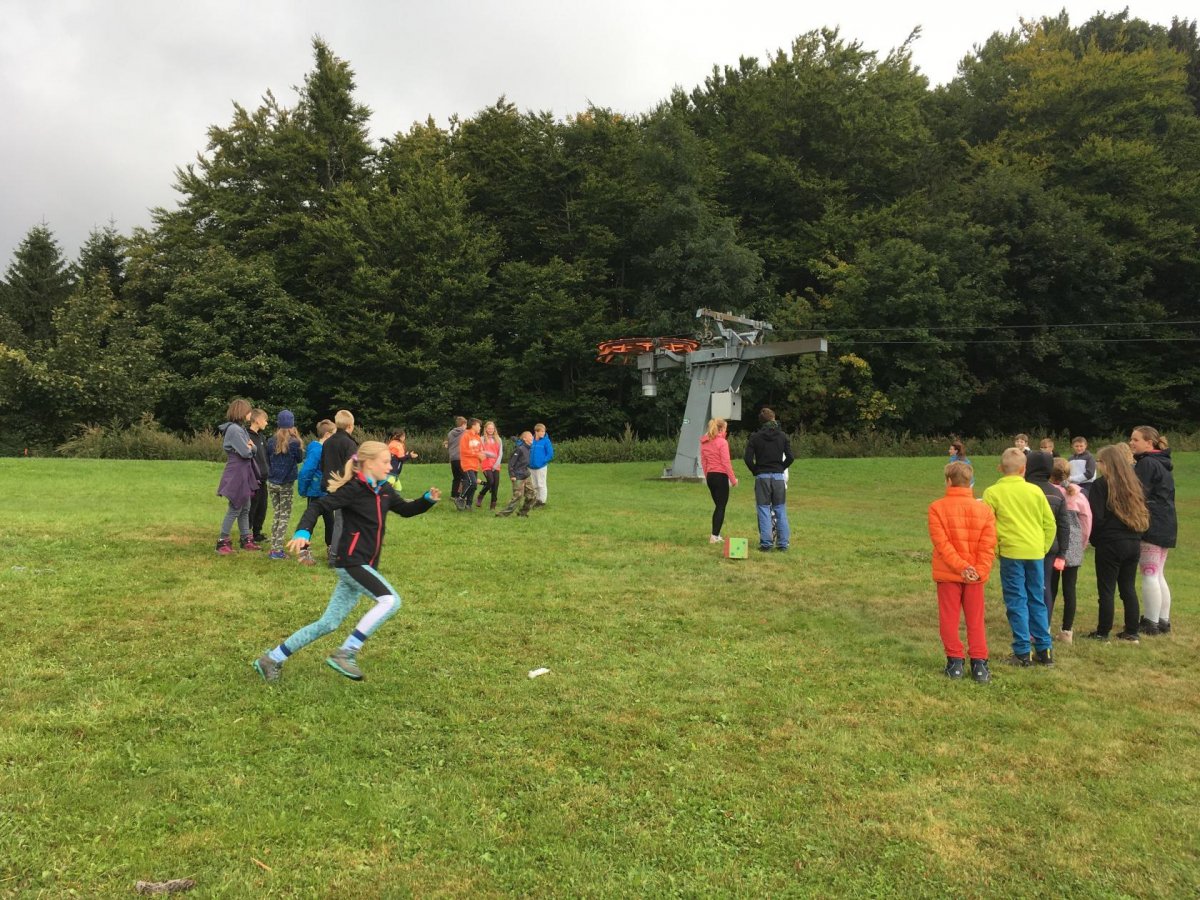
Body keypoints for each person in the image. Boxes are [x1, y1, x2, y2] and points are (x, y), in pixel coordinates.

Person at [253, 441, 440, 683]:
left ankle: (271, 658)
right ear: (368, 463)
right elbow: (319, 506)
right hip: (351, 562)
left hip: (363, 565)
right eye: (385, 462)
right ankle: (347, 652)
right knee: (390, 601)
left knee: (328, 623)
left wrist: (427, 500)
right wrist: (303, 531)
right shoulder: (353, 490)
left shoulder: (384, 490)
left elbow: (405, 509)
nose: (390, 466)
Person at [982, 448, 1057, 667]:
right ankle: (1044, 650)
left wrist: (996, 549)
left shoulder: (992, 493)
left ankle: (1023, 651)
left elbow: (988, 526)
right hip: (1035, 552)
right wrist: (1042, 547)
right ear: (1024, 469)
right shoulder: (1035, 491)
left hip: (1011, 552)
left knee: (1016, 600)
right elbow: (1049, 523)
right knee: (1037, 598)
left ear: (1000, 468)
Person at [928, 461, 996, 683]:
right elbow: (988, 545)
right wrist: (978, 570)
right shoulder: (985, 510)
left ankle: (955, 662)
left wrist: (961, 567)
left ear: (948, 481)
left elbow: (942, 544)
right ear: (970, 482)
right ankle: (979, 664)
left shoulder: (937, 508)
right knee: (975, 619)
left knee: (949, 618)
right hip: (975, 575)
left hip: (949, 572)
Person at [1086, 445, 1151, 642]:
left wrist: (1096, 539)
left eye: (1099, 461)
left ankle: (1103, 631)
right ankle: (1132, 630)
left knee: (1106, 589)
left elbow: (1097, 517)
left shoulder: (1100, 485)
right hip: (1132, 540)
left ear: (1107, 464)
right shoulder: (1133, 484)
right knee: (1128, 588)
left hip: (1110, 542)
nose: (1098, 465)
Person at [1131, 426, 1177, 635]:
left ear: (1149, 443)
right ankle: (1162, 619)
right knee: (1157, 573)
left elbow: (1138, 492)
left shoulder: (1147, 463)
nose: (1131, 443)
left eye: (1135, 440)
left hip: (1153, 524)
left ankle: (1150, 621)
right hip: (1166, 522)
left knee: (1149, 573)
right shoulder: (1161, 462)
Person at [1049, 457, 1092, 644]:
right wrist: (1083, 543)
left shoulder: (1049, 494)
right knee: (1070, 589)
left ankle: (1044, 626)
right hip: (1073, 545)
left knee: (1049, 588)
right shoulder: (1079, 495)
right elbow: (1087, 522)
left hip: (1053, 544)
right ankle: (1067, 631)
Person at [1024, 451, 1069, 625]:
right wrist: (1062, 552)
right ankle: (1044, 625)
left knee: (1023, 586)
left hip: (1023, 545)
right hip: (1049, 547)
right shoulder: (1056, 493)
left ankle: (1025, 624)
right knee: (1044, 586)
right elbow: (1063, 525)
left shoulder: (1023, 490)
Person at [743, 407, 794, 552]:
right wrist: (781, 468)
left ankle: (766, 543)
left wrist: (755, 470)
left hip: (762, 477)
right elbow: (790, 457)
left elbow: (747, 459)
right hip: (778, 478)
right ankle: (783, 543)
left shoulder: (755, 437)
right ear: (774, 418)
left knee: (764, 509)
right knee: (780, 509)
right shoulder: (783, 436)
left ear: (761, 421)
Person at [215, 398, 261, 554]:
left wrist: (251, 448)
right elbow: (246, 452)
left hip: (244, 472)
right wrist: (250, 448)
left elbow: (253, 448)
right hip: (237, 473)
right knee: (235, 507)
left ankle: (246, 539)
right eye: (248, 411)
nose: (250, 414)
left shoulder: (241, 429)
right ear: (242, 412)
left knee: (245, 507)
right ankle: (222, 541)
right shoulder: (234, 430)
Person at [320, 410, 359, 566]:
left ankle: (343, 553)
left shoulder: (327, 442)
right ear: (350, 426)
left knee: (340, 520)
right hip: (345, 486)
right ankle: (335, 556)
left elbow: (323, 465)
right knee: (341, 521)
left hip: (330, 485)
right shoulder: (349, 444)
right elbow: (353, 468)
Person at [264, 410, 304, 560]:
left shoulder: (270, 441)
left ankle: (274, 545)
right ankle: (277, 550)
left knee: (277, 513)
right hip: (286, 483)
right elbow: (299, 459)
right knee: (284, 515)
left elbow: (267, 459)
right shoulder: (295, 442)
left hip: (272, 482)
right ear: (292, 424)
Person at [296, 419, 336, 566]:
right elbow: (306, 471)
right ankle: (303, 551)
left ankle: (332, 550)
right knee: (310, 521)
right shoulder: (317, 449)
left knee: (330, 521)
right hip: (316, 492)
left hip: (327, 492)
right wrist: (303, 489)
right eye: (334, 434)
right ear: (327, 434)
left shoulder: (327, 449)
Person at [701, 418, 738, 543]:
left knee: (718, 506)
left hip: (710, 476)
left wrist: (707, 476)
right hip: (721, 476)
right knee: (721, 507)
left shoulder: (705, 442)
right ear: (721, 429)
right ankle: (714, 536)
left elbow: (704, 462)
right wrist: (733, 480)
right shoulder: (722, 442)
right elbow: (726, 463)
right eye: (726, 428)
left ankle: (715, 534)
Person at [496, 431, 536, 517]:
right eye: (530, 436)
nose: (532, 437)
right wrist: (512, 475)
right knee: (518, 496)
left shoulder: (529, 448)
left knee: (532, 495)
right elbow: (511, 463)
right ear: (524, 438)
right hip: (518, 476)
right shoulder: (519, 449)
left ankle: (522, 513)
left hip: (526, 475)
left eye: (532, 436)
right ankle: (502, 514)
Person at [246, 408, 270, 544]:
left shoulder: (261, 437)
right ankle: (247, 534)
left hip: (263, 479)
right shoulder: (246, 436)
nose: (266, 423)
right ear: (257, 420)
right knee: (252, 507)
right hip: (253, 479)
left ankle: (257, 533)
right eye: (265, 420)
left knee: (262, 506)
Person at [455, 418, 483, 510]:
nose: (480, 427)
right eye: (479, 426)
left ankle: (468, 505)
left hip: (475, 465)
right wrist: (477, 454)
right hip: (467, 464)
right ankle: (461, 498)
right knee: (472, 483)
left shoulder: (478, 437)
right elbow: (464, 451)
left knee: (473, 486)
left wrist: (482, 456)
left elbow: (480, 450)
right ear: (473, 426)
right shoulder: (466, 436)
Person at [475, 421, 503, 510]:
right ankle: (481, 495)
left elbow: (500, 453)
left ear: (494, 429)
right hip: (486, 464)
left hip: (496, 465)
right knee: (490, 481)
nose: (491, 430)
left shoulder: (499, 439)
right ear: (486, 429)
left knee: (495, 485)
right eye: (489, 428)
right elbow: (480, 451)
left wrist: (496, 464)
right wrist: (489, 454)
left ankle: (493, 505)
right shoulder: (481, 439)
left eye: (492, 428)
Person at [529, 424, 554, 508]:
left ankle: (542, 502)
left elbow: (550, 454)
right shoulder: (531, 440)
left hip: (541, 467)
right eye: (541, 431)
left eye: (544, 431)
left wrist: (542, 462)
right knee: (534, 485)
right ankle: (536, 500)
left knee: (541, 484)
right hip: (531, 467)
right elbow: (523, 445)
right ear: (536, 432)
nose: (543, 433)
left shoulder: (546, 441)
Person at [445, 416, 467, 499]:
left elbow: (447, 445)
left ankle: (453, 495)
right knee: (465, 477)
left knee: (456, 478)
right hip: (462, 458)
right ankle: (462, 495)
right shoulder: (465, 433)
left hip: (453, 458)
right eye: (466, 424)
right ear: (463, 424)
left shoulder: (450, 433)